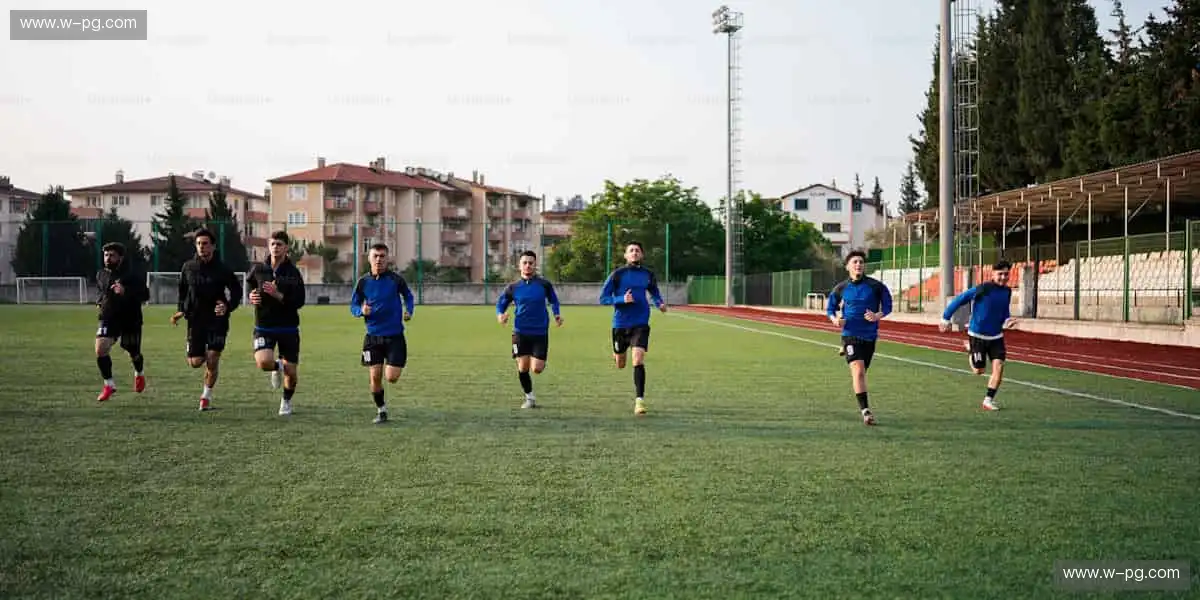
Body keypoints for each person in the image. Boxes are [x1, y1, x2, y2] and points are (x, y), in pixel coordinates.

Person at [171, 228, 242, 411]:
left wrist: (227, 306)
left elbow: (236, 291)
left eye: (205, 244)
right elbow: (182, 291)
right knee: (195, 362)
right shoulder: (188, 267)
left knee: (212, 358)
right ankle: (196, 351)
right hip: (195, 320)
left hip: (218, 320)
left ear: (213, 246)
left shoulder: (223, 269)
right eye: (199, 244)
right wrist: (181, 311)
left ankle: (206, 396)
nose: (202, 247)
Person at [599, 241, 667, 416]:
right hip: (620, 324)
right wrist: (621, 299)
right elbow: (603, 298)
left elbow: (655, 293)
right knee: (621, 363)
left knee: (638, 359)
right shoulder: (617, 275)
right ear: (625, 255)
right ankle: (617, 355)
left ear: (642, 255)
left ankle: (639, 401)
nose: (634, 253)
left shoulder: (648, 275)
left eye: (637, 250)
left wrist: (659, 303)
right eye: (631, 250)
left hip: (641, 323)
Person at [939, 260, 1018, 411]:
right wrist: (945, 318)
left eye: (1006, 274)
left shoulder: (1007, 292)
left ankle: (988, 400)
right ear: (993, 274)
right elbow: (960, 300)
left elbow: (1004, 311)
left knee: (999, 367)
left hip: (996, 337)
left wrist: (1007, 320)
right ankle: (970, 350)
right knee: (979, 371)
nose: (1003, 277)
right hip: (977, 335)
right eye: (1000, 274)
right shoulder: (983, 289)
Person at [826, 250, 893, 426]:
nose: (858, 265)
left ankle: (845, 350)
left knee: (863, 371)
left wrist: (878, 315)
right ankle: (866, 411)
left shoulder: (876, 286)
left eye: (861, 262)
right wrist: (835, 320)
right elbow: (830, 309)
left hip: (869, 336)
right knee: (859, 371)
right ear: (848, 266)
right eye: (855, 262)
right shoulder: (841, 288)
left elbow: (888, 306)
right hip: (850, 334)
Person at [350, 243, 415, 424]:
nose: (379, 259)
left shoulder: (396, 280)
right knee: (375, 376)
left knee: (391, 377)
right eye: (375, 256)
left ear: (388, 259)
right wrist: (361, 311)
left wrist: (409, 310)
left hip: (395, 336)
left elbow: (408, 296)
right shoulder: (363, 282)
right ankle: (381, 410)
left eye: (382, 256)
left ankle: (383, 403)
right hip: (372, 337)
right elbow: (353, 305)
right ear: (369, 258)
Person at [245, 230, 306, 416]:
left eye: (279, 244)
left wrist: (278, 294)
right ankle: (277, 366)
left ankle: (286, 401)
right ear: (268, 246)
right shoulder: (258, 269)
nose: (276, 247)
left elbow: (300, 301)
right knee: (264, 363)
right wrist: (251, 295)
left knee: (292, 374)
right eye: (273, 244)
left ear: (286, 248)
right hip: (264, 326)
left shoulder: (293, 273)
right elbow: (249, 283)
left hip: (288, 327)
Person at [496, 250, 563, 409]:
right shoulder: (513, 287)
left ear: (535, 265)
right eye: (524, 263)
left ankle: (539, 362)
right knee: (523, 367)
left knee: (537, 369)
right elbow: (501, 303)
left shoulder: (544, 284)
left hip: (540, 332)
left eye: (530, 263)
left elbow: (553, 300)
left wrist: (557, 314)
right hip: (520, 331)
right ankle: (529, 398)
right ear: (519, 266)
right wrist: (500, 315)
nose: (528, 266)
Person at [94, 242, 149, 402]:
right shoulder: (101, 274)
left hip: (130, 318)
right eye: (105, 255)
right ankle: (109, 384)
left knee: (133, 352)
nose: (107, 258)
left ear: (120, 258)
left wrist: (126, 292)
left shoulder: (133, 275)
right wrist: (99, 301)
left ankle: (139, 373)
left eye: (111, 255)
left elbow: (145, 295)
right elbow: (101, 291)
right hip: (108, 317)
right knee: (100, 348)